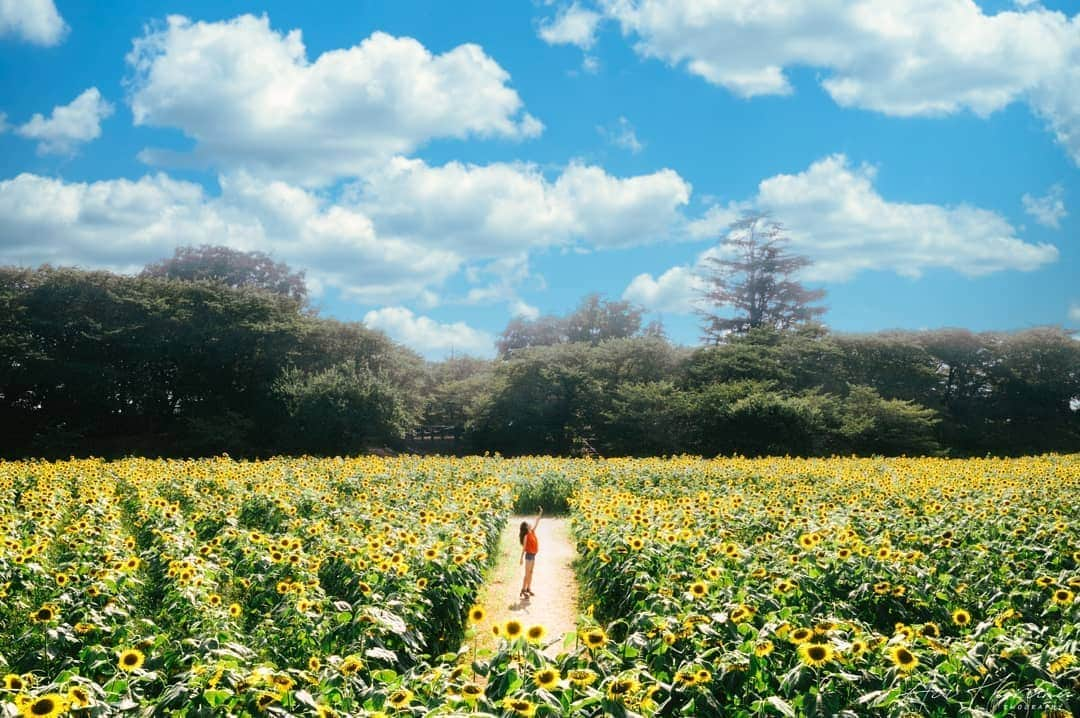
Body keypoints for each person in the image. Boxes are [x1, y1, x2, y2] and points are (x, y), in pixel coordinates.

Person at [518, 506, 543, 598]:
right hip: (528, 556)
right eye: (528, 524)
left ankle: (529, 588)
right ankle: (523, 590)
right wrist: (521, 558)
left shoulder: (532, 531)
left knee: (531, 572)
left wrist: (540, 513)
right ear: (526, 527)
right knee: (527, 573)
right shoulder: (526, 536)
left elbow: (537, 522)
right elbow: (524, 548)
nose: (530, 524)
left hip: (533, 555)